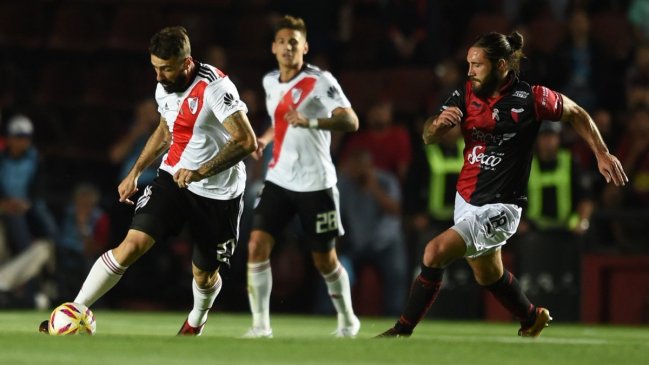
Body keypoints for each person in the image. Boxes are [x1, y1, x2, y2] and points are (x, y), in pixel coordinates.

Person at [377, 31, 628, 338]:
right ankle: (532, 317)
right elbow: (427, 135)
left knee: (434, 251)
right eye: (469, 64)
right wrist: (438, 125)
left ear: (500, 66)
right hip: (466, 199)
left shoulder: (531, 98)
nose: (470, 71)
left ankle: (401, 332)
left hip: (502, 206)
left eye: (477, 65)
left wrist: (601, 153)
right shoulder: (466, 93)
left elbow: (577, 113)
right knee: (488, 273)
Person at [39, 26, 257, 335]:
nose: (158, 76)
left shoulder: (215, 88)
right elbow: (166, 130)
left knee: (204, 275)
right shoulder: (163, 86)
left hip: (218, 192)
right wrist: (135, 171)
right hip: (172, 177)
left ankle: (196, 319)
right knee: (133, 244)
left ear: (186, 63)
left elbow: (246, 141)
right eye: (155, 68)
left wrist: (200, 171)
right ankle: (74, 310)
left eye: (165, 69)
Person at [244, 15, 360, 338]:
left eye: (293, 42)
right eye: (281, 42)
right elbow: (280, 121)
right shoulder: (269, 82)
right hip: (279, 178)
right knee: (256, 245)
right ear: (273, 47)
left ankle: (348, 320)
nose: (287, 47)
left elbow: (350, 121)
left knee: (324, 259)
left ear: (304, 47)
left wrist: (311, 122)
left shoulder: (320, 81)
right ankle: (260, 327)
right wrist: (265, 139)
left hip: (316, 182)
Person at [336, 148, 408, 316]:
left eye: (360, 165)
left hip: (386, 243)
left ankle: (394, 317)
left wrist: (373, 188)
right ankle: (326, 315)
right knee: (331, 269)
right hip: (357, 244)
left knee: (396, 275)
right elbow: (336, 216)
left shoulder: (386, 181)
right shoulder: (344, 184)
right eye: (353, 166)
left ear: (369, 166)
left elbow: (396, 210)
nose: (356, 170)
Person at [0, 114, 57, 308]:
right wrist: (4, 203)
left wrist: (28, 203)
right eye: (18, 137)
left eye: (26, 137)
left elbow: (40, 188)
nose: (22, 142)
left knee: (49, 237)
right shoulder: (2, 159)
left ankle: (52, 280)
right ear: (9, 138)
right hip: (5, 207)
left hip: (29, 205)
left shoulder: (36, 159)